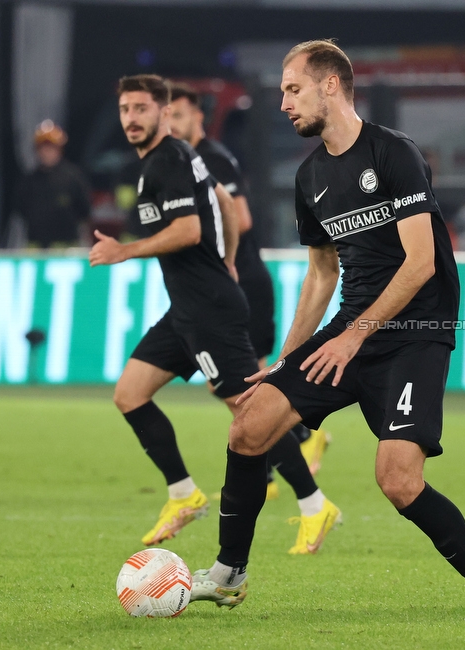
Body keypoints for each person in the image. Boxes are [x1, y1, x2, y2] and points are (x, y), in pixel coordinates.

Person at [189, 40, 465, 622]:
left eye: (294, 89)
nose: (285, 102)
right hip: (351, 328)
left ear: (331, 86)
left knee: (397, 479)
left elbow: (419, 264)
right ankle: (228, 573)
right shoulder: (309, 174)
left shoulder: (394, 154)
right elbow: (321, 274)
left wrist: (354, 336)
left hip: (415, 331)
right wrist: (286, 362)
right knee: (249, 423)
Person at [89, 74, 340, 553]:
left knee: (250, 411)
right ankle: (184, 494)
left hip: (208, 310)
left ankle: (314, 504)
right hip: (187, 307)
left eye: (142, 109)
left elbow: (185, 230)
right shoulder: (173, 159)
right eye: (125, 110)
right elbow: (223, 203)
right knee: (129, 394)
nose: (131, 119)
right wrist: (226, 255)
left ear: (164, 113)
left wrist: (127, 251)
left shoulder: (169, 158)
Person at [167, 81, 336, 545]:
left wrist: (188, 231)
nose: (172, 126)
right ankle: (287, 457)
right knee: (240, 390)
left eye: (178, 116)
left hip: (237, 285)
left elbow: (239, 218)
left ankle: (303, 461)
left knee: (247, 397)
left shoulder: (213, 159)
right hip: (214, 290)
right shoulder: (183, 162)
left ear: (198, 117)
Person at [14, 121, 92, 248]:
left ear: (59, 149)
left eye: (51, 147)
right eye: (43, 148)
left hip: (67, 249)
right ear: (37, 151)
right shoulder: (29, 181)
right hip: (36, 247)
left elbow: (84, 210)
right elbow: (20, 209)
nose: (47, 152)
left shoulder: (73, 178)